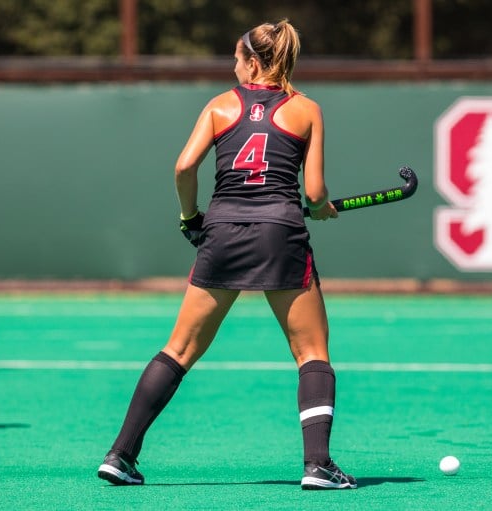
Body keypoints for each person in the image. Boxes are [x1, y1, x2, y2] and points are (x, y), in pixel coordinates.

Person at [97, 20, 356, 490]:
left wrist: (189, 217)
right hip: (280, 232)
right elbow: (314, 192)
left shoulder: (219, 106)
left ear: (253, 61)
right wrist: (320, 210)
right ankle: (317, 464)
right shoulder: (307, 110)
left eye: (236, 59)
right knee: (312, 352)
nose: (232, 66)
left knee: (178, 349)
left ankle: (120, 454)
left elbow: (183, 166)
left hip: (222, 231)